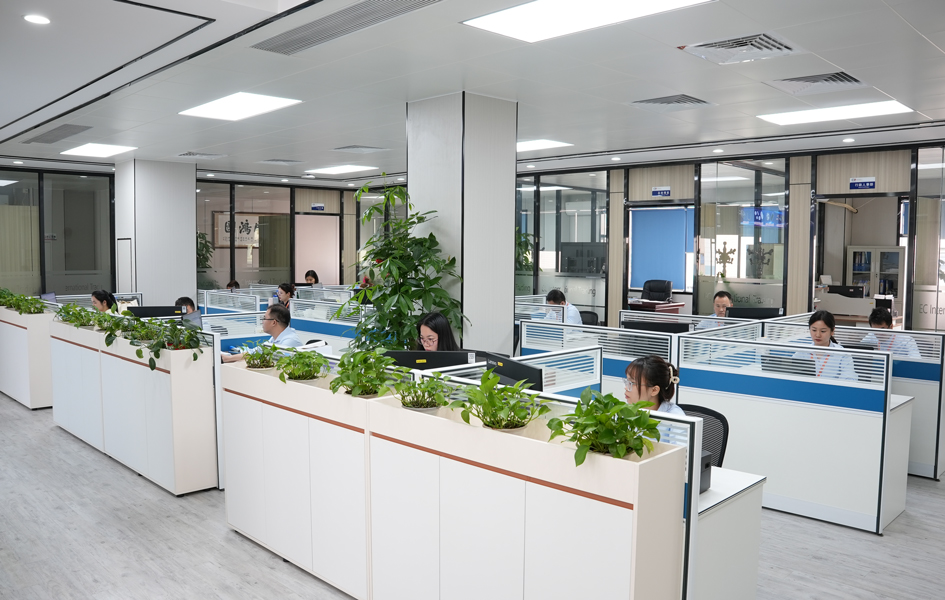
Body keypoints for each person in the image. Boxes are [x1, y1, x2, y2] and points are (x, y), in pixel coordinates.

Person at [222, 304, 302, 363]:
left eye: (264, 318)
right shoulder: (275, 338)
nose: (262, 321)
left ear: (274, 322)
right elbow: (255, 352)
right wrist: (227, 358)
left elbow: (273, 362)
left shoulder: (290, 341)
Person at [791, 310, 857, 381]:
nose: (818, 335)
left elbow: (849, 379)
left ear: (832, 331)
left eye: (823, 331)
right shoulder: (802, 353)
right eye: (814, 330)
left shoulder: (842, 354)